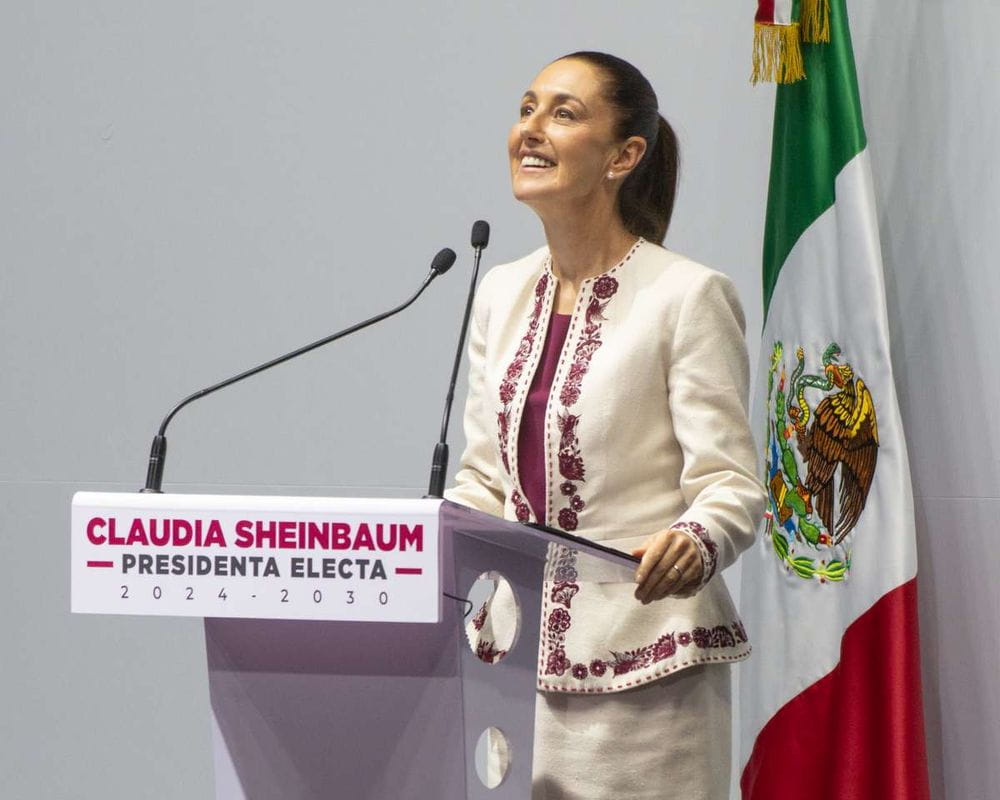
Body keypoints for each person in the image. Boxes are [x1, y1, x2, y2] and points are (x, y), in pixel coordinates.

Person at [445, 51, 766, 800]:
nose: (531, 129)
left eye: (563, 112)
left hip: (646, 670)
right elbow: (485, 475)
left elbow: (730, 481)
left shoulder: (687, 296)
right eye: (526, 108)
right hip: (508, 662)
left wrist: (697, 538)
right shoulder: (498, 292)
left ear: (625, 156)